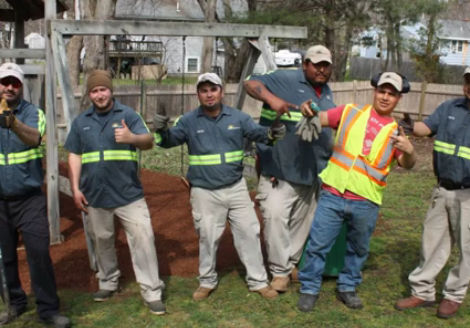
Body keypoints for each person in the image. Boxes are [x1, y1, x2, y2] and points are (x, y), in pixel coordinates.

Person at [153, 72, 285, 301]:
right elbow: (168, 142)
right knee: (207, 237)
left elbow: (261, 135)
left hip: (236, 189)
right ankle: (206, 282)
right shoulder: (188, 121)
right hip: (204, 191)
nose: (209, 94)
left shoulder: (238, 118)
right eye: (204, 90)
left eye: (213, 89)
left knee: (249, 233)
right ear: (198, 95)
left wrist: (273, 133)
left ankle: (259, 282)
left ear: (221, 92)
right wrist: (161, 131)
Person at [296, 72, 416, 312]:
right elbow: (317, 116)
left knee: (358, 249)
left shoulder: (397, 132)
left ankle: (347, 287)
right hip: (333, 193)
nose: (385, 97)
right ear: (374, 91)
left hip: (367, 200)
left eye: (391, 94)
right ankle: (309, 288)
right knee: (318, 245)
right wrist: (306, 109)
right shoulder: (349, 112)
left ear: (398, 99)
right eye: (382, 91)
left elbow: (407, 164)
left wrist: (410, 150)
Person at [64, 70, 165, 315]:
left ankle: (152, 292)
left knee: (143, 239)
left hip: (128, 193)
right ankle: (108, 282)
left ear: (111, 90)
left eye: (103, 89)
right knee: (103, 241)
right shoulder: (81, 122)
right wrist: (75, 188)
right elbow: (74, 155)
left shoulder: (128, 115)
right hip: (95, 194)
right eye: (95, 91)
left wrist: (131, 137)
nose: (99, 95)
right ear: (90, 94)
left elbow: (149, 141)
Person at [243, 45, 336, 292]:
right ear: (305, 64)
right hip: (279, 169)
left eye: (326, 65)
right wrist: (273, 99)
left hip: (311, 171)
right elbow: (249, 83)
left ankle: (290, 264)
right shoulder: (284, 78)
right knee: (275, 218)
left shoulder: (326, 92)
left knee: (301, 222)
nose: (322, 69)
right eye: (317, 64)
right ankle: (279, 271)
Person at [395, 66, 470, 319]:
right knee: (432, 241)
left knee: (467, 249)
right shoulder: (450, 108)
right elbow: (425, 128)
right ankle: (422, 291)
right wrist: (409, 125)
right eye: (468, 81)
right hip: (442, 188)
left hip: (468, 195)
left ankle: (453, 295)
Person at [0, 62, 71, 327]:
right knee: (4, 257)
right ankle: (14, 304)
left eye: (14, 83)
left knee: (39, 252)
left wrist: (13, 123)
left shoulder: (33, 113)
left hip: (29, 198)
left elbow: (34, 138)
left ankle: (48, 310)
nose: (9, 87)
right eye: (5, 82)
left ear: (21, 86)